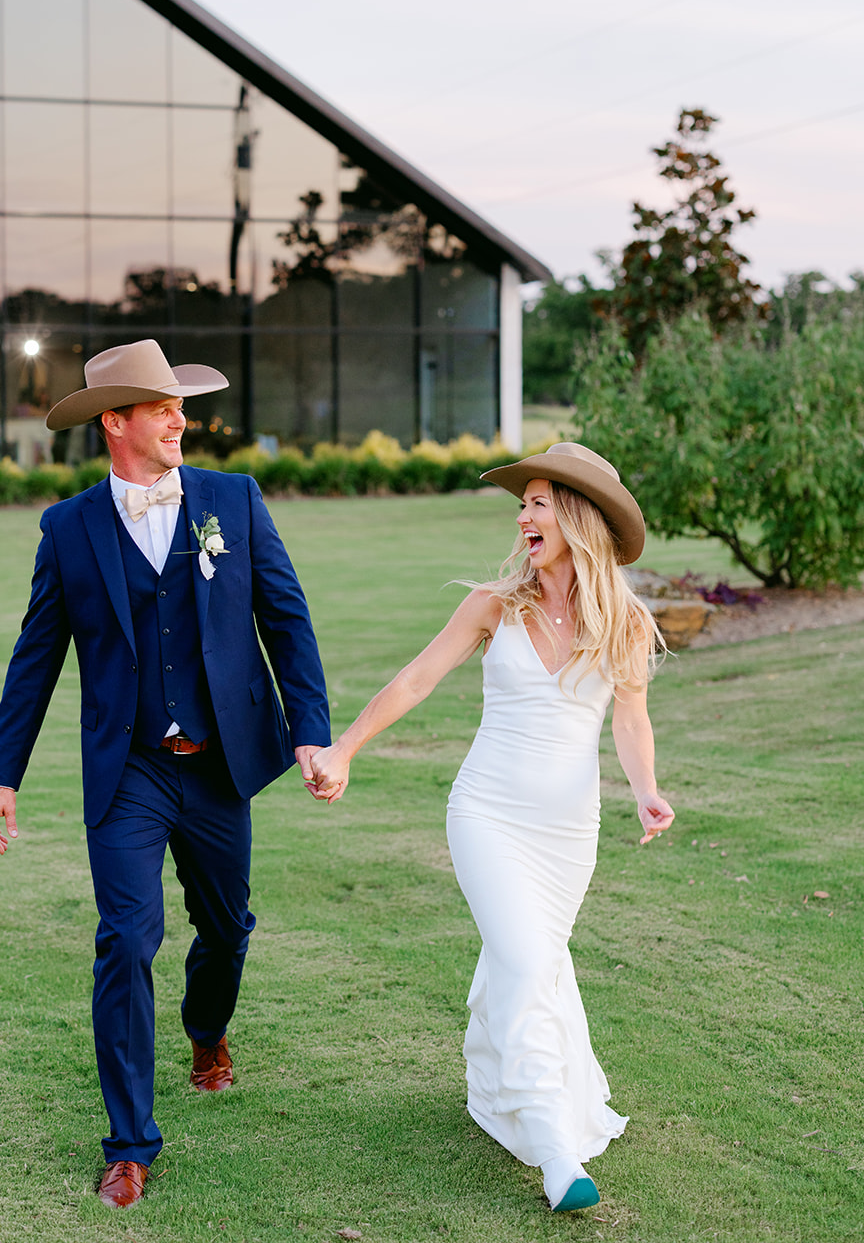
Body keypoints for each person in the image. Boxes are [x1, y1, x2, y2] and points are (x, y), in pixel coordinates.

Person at [0, 340, 330, 1212]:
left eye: (180, 406)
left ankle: (206, 1029)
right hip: (127, 768)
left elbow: (286, 620)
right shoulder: (68, 529)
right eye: (162, 407)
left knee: (226, 927)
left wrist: (311, 734)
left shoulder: (231, 500)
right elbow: (35, 659)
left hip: (217, 765)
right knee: (127, 942)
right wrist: (0, 776)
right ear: (115, 422)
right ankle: (129, 1144)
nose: (179, 420)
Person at [308, 442, 675, 1215]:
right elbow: (416, 678)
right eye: (522, 505)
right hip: (487, 815)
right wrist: (344, 748)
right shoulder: (492, 605)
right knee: (523, 956)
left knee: (531, 965)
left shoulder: (625, 622)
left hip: (567, 833)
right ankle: (553, 1150)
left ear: (576, 517)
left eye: (537, 504)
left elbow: (630, 721)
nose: (521, 518)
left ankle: (495, 1082)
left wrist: (645, 790)